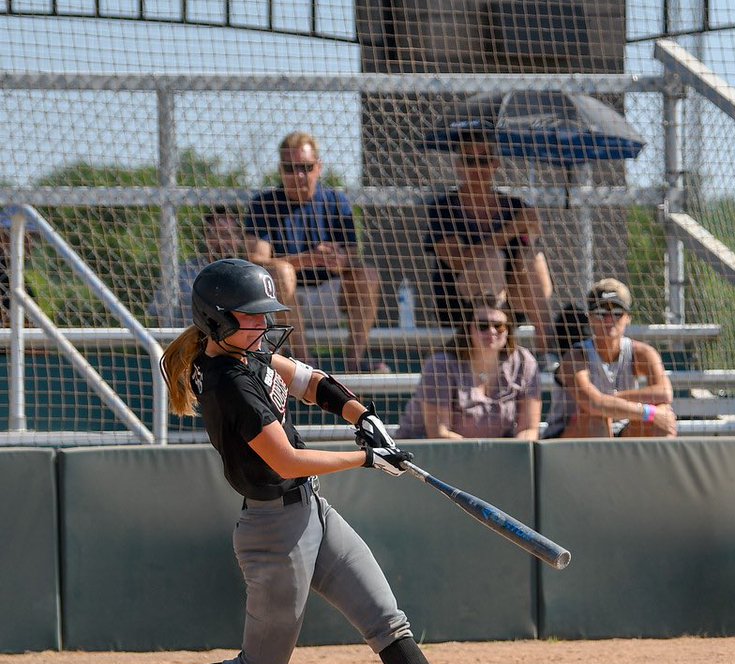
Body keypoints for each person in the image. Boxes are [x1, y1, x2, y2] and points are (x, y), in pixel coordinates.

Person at [94, 258, 499, 664]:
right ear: (217, 320)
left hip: (313, 511)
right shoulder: (228, 384)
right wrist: (366, 458)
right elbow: (286, 460)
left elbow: (309, 380)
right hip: (274, 533)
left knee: (387, 621)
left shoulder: (244, 350)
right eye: (250, 315)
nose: (263, 324)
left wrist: (362, 416)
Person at [246, 132, 386, 372]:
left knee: (368, 275)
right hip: (283, 301)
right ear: (280, 170)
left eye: (306, 167)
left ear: (319, 168)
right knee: (281, 272)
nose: (299, 175)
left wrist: (339, 260)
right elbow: (256, 260)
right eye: (291, 168)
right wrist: (308, 259)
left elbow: (352, 255)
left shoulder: (335, 201)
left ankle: (355, 362)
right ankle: (304, 361)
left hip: (330, 295)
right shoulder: (264, 204)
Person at [424, 131, 556, 354]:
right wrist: (511, 229)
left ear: (495, 164)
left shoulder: (514, 207)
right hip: (461, 302)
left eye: (484, 160)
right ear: (458, 165)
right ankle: (494, 345)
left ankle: (546, 345)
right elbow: (456, 261)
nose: (477, 167)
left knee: (533, 258)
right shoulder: (444, 208)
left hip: (513, 300)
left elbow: (526, 253)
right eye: (470, 161)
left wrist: (531, 232)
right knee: (492, 259)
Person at [543, 279, 678, 439]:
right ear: (590, 317)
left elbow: (665, 393)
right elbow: (593, 403)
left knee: (663, 416)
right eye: (601, 313)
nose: (609, 320)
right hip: (567, 439)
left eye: (617, 313)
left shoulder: (642, 352)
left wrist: (613, 398)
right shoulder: (576, 356)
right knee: (596, 417)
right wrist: (648, 412)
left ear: (628, 317)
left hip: (620, 429)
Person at [399, 299, 541, 440]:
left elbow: (529, 429)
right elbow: (438, 433)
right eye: (482, 325)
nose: (491, 331)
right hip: (423, 449)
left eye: (499, 326)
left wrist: (513, 450)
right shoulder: (440, 365)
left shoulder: (524, 362)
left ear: (508, 329)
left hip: (497, 451)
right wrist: (481, 452)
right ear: (468, 328)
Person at [149, 205, 245, 327]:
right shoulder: (183, 274)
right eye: (215, 234)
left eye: (227, 235)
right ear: (205, 237)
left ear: (239, 237)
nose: (221, 242)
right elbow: (157, 313)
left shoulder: (249, 274)